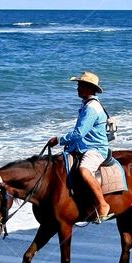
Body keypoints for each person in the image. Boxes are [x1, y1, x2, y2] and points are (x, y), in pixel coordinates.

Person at [47, 71, 112, 222]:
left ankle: (102, 205)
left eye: (80, 85)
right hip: (84, 147)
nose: (77, 88)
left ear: (89, 88)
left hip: (95, 149)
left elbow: (79, 133)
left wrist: (59, 140)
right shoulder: (87, 104)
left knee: (84, 170)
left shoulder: (91, 108)